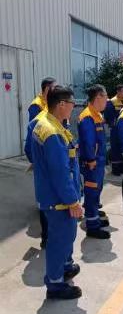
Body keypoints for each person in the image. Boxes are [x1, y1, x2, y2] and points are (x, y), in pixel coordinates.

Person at [30, 85, 83, 300]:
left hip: (54, 195)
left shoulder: (48, 123)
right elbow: (60, 173)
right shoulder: (51, 132)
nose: (73, 107)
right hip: (58, 198)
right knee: (60, 240)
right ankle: (55, 284)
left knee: (65, 236)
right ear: (61, 104)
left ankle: (64, 267)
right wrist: (73, 201)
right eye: (71, 104)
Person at [25, 77, 57, 249]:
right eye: (53, 88)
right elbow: (33, 137)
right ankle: (46, 237)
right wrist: (36, 161)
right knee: (45, 198)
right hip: (43, 161)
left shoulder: (53, 105)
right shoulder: (36, 107)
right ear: (45, 90)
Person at [77, 85, 110, 240]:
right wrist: (91, 160)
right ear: (98, 97)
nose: (107, 100)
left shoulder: (97, 115)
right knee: (91, 194)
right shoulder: (87, 117)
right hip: (92, 163)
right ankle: (92, 227)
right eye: (106, 97)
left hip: (98, 161)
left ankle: (94, 218)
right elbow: (88, 142)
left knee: (96, 192)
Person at [103, 84, 123, 176]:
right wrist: (113, 125)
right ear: (118, 91)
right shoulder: (111, 102)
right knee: (115, 149)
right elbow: (108, 117)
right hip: (115, 129)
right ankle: (116, 169)